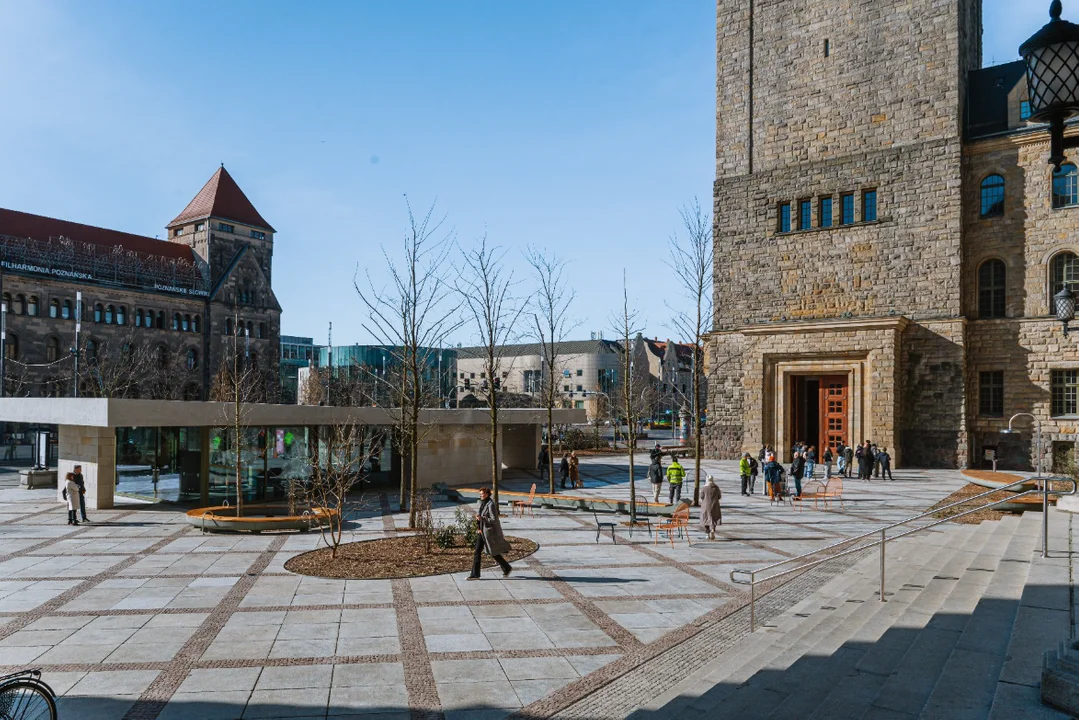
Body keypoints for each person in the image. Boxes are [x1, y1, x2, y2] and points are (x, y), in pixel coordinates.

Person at [468, 487, 512, 580]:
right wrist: (479, 524)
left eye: (482, 494)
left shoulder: (490, 504)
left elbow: (494, 519)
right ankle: (506, 567)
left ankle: (475, 574)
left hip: (488, 532)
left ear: (487, 494)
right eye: (480, 494)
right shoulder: (483, 503)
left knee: (488, 551)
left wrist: (482, 518)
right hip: (482, 531)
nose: (481, 495)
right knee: (482, 551)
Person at [699, 475, 722, 540]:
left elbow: (701, 496)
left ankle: (707, 533)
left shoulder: (704, 488)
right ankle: (712, 530)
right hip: (715, 505)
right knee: (713, 518)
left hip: (706, 505)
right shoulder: (716, 487)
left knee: (706, 518)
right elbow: (719, 496)